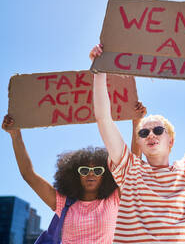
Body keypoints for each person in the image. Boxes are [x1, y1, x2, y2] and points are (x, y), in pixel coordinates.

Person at [89, 44, 185, 243]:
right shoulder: (130, 170)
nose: (150, 135)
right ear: (139, 141)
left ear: (171, 141)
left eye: (158, 130)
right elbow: (104, 120)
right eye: (144, 132)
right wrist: (99, 71)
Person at [2, 102, 146, 244]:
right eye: (84, 170)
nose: (91, 174)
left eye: (97, 171)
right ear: (75, 176)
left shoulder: (114, 199)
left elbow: (132, 165)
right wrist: (16, 136)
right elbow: (28, 175)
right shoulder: (63, 203)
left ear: (106, 175)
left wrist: (137, 122)